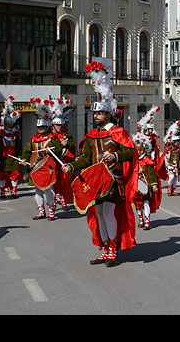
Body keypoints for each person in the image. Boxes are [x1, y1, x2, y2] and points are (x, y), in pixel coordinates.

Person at [62, 61, 138, 267]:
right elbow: (86, 158)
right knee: (99, 215)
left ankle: (113, 249)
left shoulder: (118, 132)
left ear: (108, 114)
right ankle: (105, 249)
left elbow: (130, 153)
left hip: (113, 180)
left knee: (107, 213)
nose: (96, 116)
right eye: (94, 113)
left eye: (99, 113)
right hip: (96, 180)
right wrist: (72, 166)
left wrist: (115, 157)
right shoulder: (91, 135)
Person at [20, 99, 63, 221]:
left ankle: (51, 211)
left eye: (43, 127)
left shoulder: (52, 139)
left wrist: (52, 151)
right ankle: (41, 211)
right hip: (34, 167)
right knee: (38, 190)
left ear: (47, 127)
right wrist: (24, 159)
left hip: (47, 168)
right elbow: (27, 151)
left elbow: (59, 151)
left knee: (48, 189)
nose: (40, 129)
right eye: (39, 127)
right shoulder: (33, 139)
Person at [0, 96, 23, 198]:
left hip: (13, 158)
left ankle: (14, 191)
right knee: (2, 176)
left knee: (15, 175)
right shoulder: (0, 135)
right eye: (9, 125)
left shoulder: (15, 135)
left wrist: (19, 156)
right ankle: (2, 191)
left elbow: (18, 146)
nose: (11, 127)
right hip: (3, 159)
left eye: (12, 125)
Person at [51, 98, 75, 212]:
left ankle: (64, 200)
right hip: (51, 162)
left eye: (61, 124)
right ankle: (54, 202)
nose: (60, 126)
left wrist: (66, 145)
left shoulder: (67, 135)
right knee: (52, 182)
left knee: (64, 181)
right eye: (57, 124)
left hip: (63, 162)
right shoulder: (50, 136)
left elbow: (72, 146)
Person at [163, 121, 180, 196]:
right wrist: (168, 165)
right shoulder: (169, 150)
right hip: (170, 165)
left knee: (175, 178)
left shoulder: (178, 150)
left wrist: (179, 166)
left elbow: (179, 159)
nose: (177, 143)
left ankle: (174, 190)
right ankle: (169, 188)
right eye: (176, 142)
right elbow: (166, 158)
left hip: (176, 166)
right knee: (171, 177)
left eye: (178, 141)